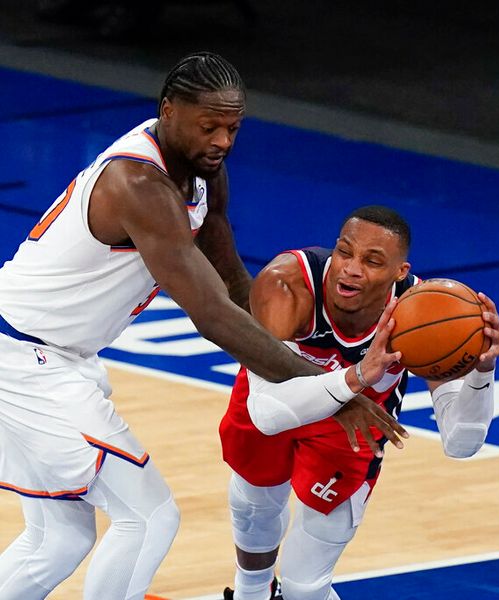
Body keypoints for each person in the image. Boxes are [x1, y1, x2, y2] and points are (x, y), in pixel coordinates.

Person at [0, 52, 406, 599]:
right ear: (168, 112)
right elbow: (212, 314)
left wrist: (290, 361)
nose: (221, 141)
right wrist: (333, 388)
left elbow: (232, 279)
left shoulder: (203, 173)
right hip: (25, 360)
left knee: (59, 540)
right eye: (208, 126)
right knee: (148, 519)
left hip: (57, 358)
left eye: (232, 128)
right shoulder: (138, 185)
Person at [218, 205, 499, 600]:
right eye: (344, 252)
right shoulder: (287, 283)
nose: (351, 268)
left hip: (351, 429)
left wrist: (480, 373)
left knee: (304, 589)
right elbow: (266, 413)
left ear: (399, 273)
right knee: (254, 508)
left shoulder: (424, 313)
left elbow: (461, 444)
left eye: (372, 261)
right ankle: (253, 593)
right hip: (277, 396)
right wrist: (355, 379)